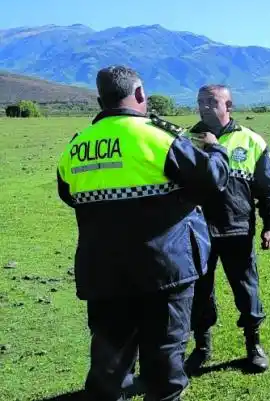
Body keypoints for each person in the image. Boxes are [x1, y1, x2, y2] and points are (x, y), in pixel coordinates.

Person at [56, 65, 230, 401]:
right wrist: (216, 149)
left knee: (109, 370)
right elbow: (212, 179)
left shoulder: (76, 146)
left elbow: (69, 195)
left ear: (99, 100)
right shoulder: (157, 137)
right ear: (139, 95)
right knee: (164, 370)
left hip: (103, 275)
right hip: (163, 273)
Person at [186, 84, 270, 374]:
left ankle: (254, 345)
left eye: (212, 101)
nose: (204, 106)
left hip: (237, 228)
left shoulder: (251, 141)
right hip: (197, 232)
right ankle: (202, 347)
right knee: (199, 292)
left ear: (229, 106)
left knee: (246, 288)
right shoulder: (186, 141)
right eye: (200, 101)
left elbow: (269, 187)